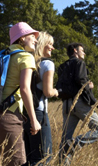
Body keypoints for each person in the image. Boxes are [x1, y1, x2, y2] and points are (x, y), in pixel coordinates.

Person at [0, 22, 42, 166]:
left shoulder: (0, 55)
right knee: (16, 162)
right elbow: (25, 89)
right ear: (22, 38)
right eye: (32, 36)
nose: (36, 40)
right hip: (8, 115)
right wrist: (33, 120)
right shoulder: (25, 57)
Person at [58, 42, 98, 164]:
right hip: (79, 103)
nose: (84, 53)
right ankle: (75, 143)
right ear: (75, 51)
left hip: (66, 105)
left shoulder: (62, 66)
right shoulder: (79, 63)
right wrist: (89, 85)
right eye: (82, 50)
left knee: (65, 139)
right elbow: (80, 79)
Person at [22, 31, 59, 166]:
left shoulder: (26, 61)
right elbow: (47, 92)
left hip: (23, 113)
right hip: (39, 113)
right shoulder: (48, 64)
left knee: (29, 156)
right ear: (42, 44)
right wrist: (56, 92)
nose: (52, 47)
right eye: (50, 44)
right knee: (44, 157)